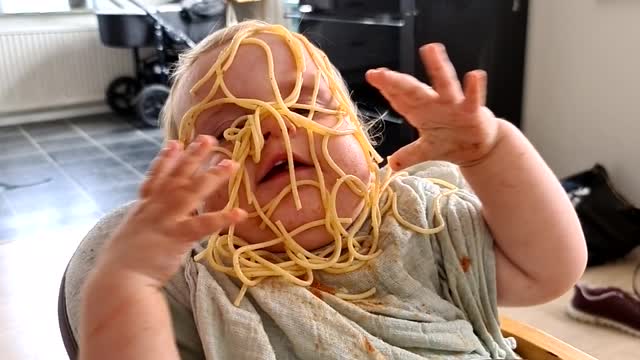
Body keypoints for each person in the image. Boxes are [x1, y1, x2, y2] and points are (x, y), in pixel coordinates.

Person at [76, 20, 587, 360]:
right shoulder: (203, 291)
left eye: (304, 108)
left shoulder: (420, 222)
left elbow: (551, 271)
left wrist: (489, 151)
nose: (273, 129)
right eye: (232, 131)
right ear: (197, 197)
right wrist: (128, 281)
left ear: (366, 143)